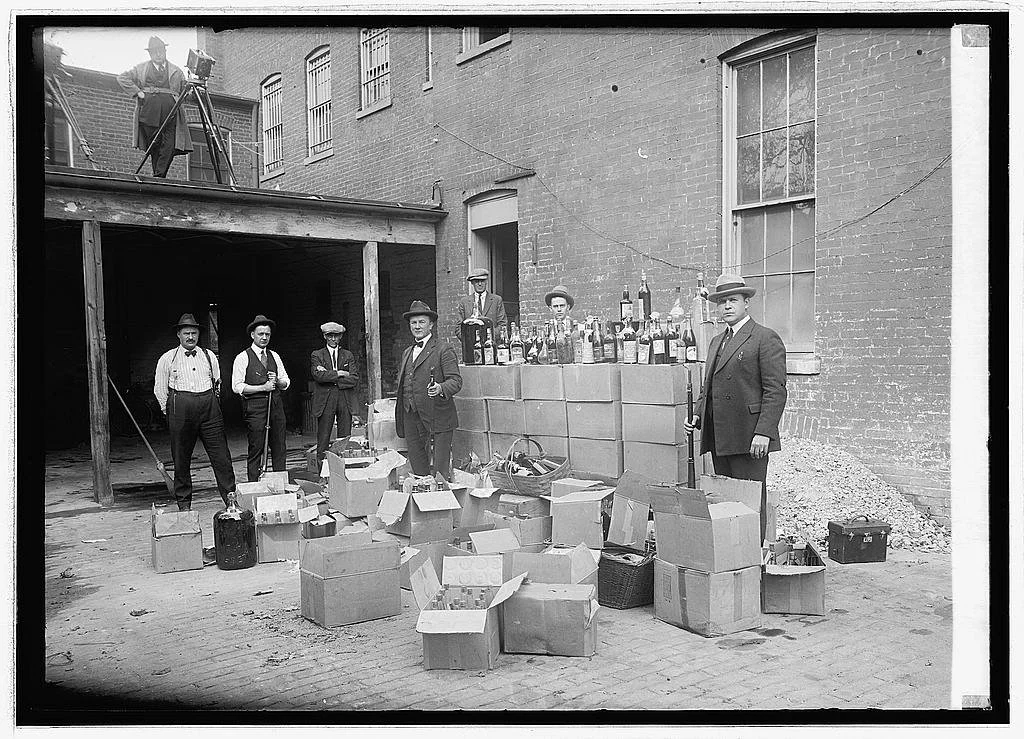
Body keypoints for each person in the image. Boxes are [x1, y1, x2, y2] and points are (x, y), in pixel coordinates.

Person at [683, 274, 788, 542]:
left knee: (750, 503)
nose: (727, 306)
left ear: (746, 303)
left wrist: (764, 432)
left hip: (749, 438)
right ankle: (733, 556)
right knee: (728, 503)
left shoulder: (765, 338)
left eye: (733, 300)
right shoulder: (717, 341)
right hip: (721, 437)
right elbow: (709, 385)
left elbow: (775, 391)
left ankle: (753, 560)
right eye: (721, 302)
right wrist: (697, 414)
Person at [153, 313, 236, 510]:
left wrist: (211, 405)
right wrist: (170, 411)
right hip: (180, 410)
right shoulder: (167, 358)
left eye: (194, 333)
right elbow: (159, 388)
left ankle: (231, 501)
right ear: (179, 335)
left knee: (222, 457)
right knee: (181, 459)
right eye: (186, 333)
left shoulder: (209, 356)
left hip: (209, 409)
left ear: (198, 334)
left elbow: (217, 383)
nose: (190, 337)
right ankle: (184, 505)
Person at [395, 301, 463, 480]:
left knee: (440, 471)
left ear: (431, 324)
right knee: (418, 464)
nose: (417, 326)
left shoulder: (443, 349)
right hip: (410, 413)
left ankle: (441, 502)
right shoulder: (407, 352)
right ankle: (423, 501)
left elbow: (456, 381)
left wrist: (441, 387)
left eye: (421, 322)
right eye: (413, 323)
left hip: (437, 415)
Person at [116, 36, 192, 178]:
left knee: (169, 145)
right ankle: (158, 177)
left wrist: (191, 90)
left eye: (160, 51)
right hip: (149, 112)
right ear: (150, 54)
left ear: (165, 51)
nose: (158, 54)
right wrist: (138, 92)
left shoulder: (176, 70)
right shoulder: (141, 68)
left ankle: (159, 176)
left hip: (171, 113)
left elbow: (185, 91)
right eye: (154, 52)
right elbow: (122, 78)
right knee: (154, 145)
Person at [232, 315, 291, 482]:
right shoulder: (242, 357)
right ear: (252, 335)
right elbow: (237, 386)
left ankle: (281, 487)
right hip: (255, 409)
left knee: (279, 448)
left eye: (267, 334)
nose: (264, 337)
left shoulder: (275, 356)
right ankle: (254, 487)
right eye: (260, 334)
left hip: (276, 407)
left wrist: (277, 381)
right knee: (256, 449)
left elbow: (286, 381)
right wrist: (262, 388)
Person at [310, 321, 359, 466]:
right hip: (326, 400)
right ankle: (322, 475)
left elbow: (354, 379)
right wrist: (340, 373)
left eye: (336, 336)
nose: (333, 339)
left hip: (344, 400)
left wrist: (329, 376)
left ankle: (343, 474)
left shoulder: (347, 355)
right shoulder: (317, 355)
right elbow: (318, 376)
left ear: (340, 337)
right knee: (323, 438)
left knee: (344, 439)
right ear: (325, 336)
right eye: (330, 336)